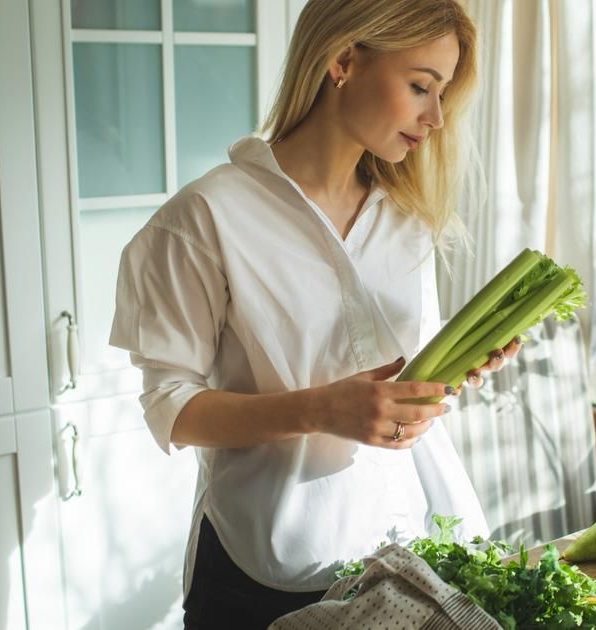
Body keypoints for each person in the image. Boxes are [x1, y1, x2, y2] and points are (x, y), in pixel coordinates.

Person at [109, 1, 520, 627]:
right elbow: (172, 408)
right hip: (265, 573)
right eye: (420, 87)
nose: (435, 118)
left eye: (441, 96)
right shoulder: (204, 219)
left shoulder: (406, 219)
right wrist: (322, 409)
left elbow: (399, 390)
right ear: (344, 60)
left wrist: (453, 374)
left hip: (403, 558)